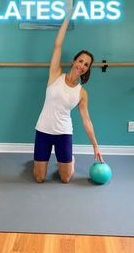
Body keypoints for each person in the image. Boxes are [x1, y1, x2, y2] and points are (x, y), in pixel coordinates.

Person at [33, 11, 105, 183]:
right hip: (43, 130)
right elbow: (57, 45)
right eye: (80, 61)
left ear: (87, 69)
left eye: (86, 64)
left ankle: (70, 159)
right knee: (39, 177)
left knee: (65, 178)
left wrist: (95, 146)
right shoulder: (55, 74)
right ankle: (42, 163)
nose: (82, 65)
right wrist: (67, 17)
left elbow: (86, 121)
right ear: (74, 61)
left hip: (63, 133)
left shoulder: (81, 93)